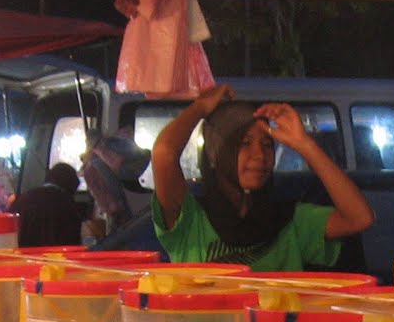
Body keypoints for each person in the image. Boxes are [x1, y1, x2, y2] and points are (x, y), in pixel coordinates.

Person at [150, 82, 372, 269]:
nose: (260, 155)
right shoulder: (190, 220)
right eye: (244, 143)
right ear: (214, 155)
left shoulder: (288, 222)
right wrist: (199, 108)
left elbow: (360, 218)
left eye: (267, 145)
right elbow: (164, 153)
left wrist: (305, 145)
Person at [10, 162, 85, 248]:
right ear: (72, 185)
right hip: (55, 258)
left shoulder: (24, 198)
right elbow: (73, 241)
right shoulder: (67, 205)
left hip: (21, 256)